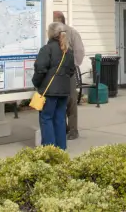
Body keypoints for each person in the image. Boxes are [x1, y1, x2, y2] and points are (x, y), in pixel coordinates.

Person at [32, 21, 75, 149]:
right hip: (63, 91)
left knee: (46, 119)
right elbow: (71, 70)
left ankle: (50, 151)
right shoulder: (68, 51)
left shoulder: (47, 49)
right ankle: (61, 149)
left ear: (51, 34)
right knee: (60, 119)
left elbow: (40, 68)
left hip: (49, 91)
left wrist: (37, 83)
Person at [53, 11, 85, 140]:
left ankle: (73, 129)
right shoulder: (52, 33)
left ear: (59, 20)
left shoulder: (71, 32)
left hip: (68, 72)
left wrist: (72, 66)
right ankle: (63, 127)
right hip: (55, 73)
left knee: (70, 100)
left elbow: (79, 51)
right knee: (59, 100)